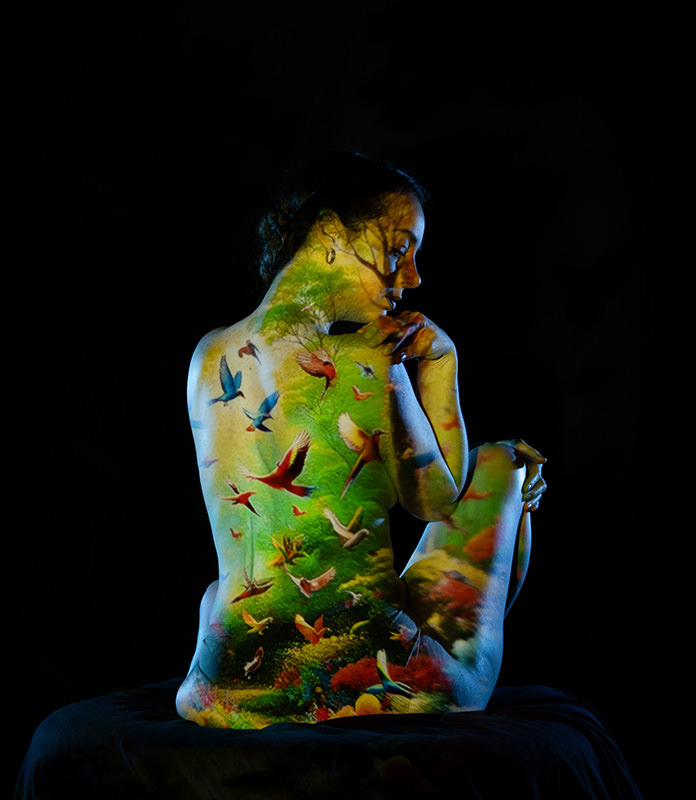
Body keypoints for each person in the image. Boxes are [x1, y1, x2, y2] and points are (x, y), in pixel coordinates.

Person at [175, 150, 547, 728]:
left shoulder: (209, 354)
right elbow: (439, 503)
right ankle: (431, 669)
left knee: (229, 586)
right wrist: (441, 364)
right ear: (329, 232)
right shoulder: (370, 358)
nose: (414, 276)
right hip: (375, 682)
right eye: (398, 248)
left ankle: (232, 671)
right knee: (504, 465)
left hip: (223, 685)